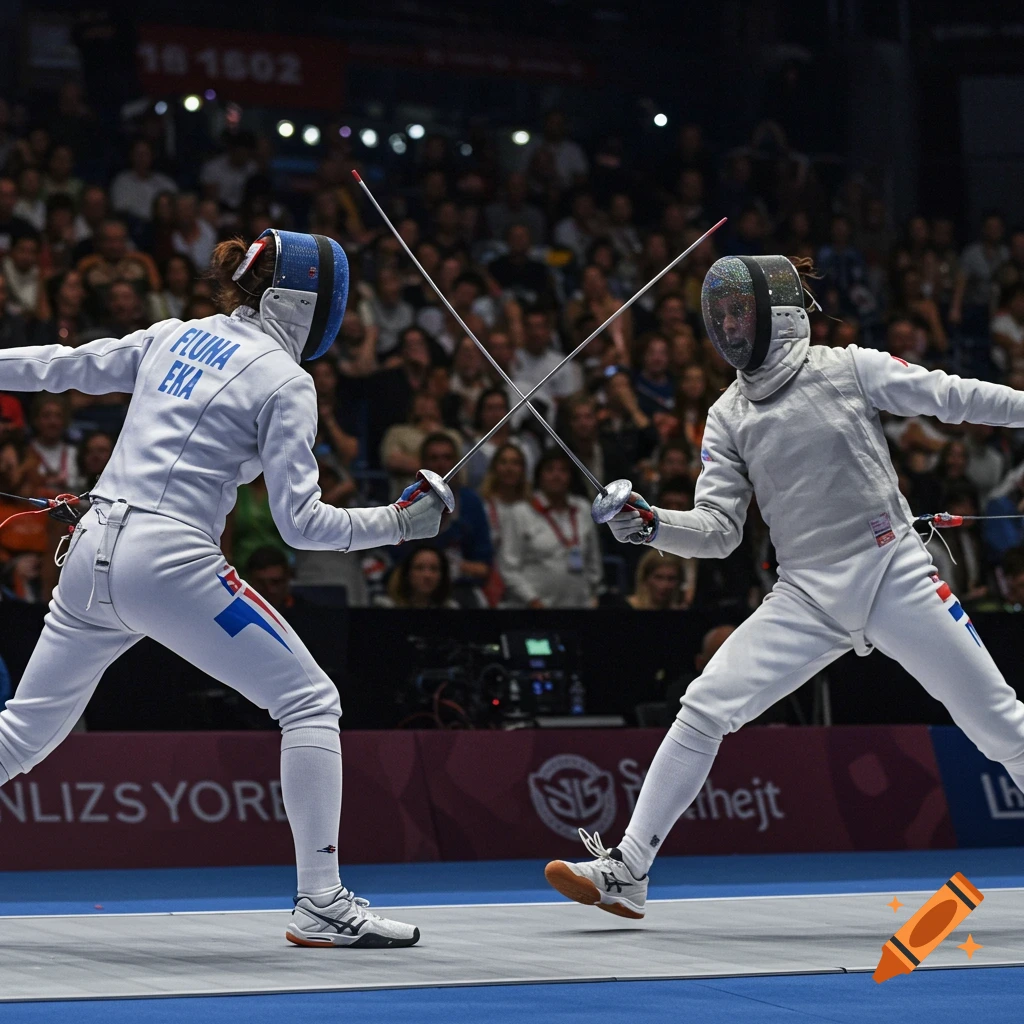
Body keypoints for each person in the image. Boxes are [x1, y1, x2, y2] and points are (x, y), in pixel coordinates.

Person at [0, 228, 447, 947]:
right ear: (308, 301)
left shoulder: (176, 334)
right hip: (169, 560)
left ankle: (322, 901)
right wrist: (398, 524)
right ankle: (321, 902)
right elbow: (300, 525)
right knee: (308, 700)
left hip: (89, 551)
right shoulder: (285, 380)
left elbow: (59, 367)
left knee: (22, 732)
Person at [545, 253, 1024, 919]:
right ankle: (628, 869)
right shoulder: (727, 414)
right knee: (704, 706)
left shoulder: (845, 367)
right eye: (721, 315)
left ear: (778, 312)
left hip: (896, 575)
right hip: (806, 596)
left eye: (739, 310)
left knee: (1003, 728)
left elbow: (952, 396)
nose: (729, 325)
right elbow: (716, 531)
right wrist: (653, 525)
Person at [500, 450, 602, 609]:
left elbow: (593, 561)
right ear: (539, 475)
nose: (557, 475)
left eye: (563, 470)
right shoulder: (520, 512)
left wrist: (591, 594)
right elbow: (509, 567)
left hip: (579, 607)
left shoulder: (582, 508)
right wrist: (532, 600)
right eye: (550, 469)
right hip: (532, 609)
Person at [375, 546, 458, 609]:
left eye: (434, 568)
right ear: (407, 573)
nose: (427, 575)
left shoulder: (451, 608)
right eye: (419, 568)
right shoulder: (384, 606)